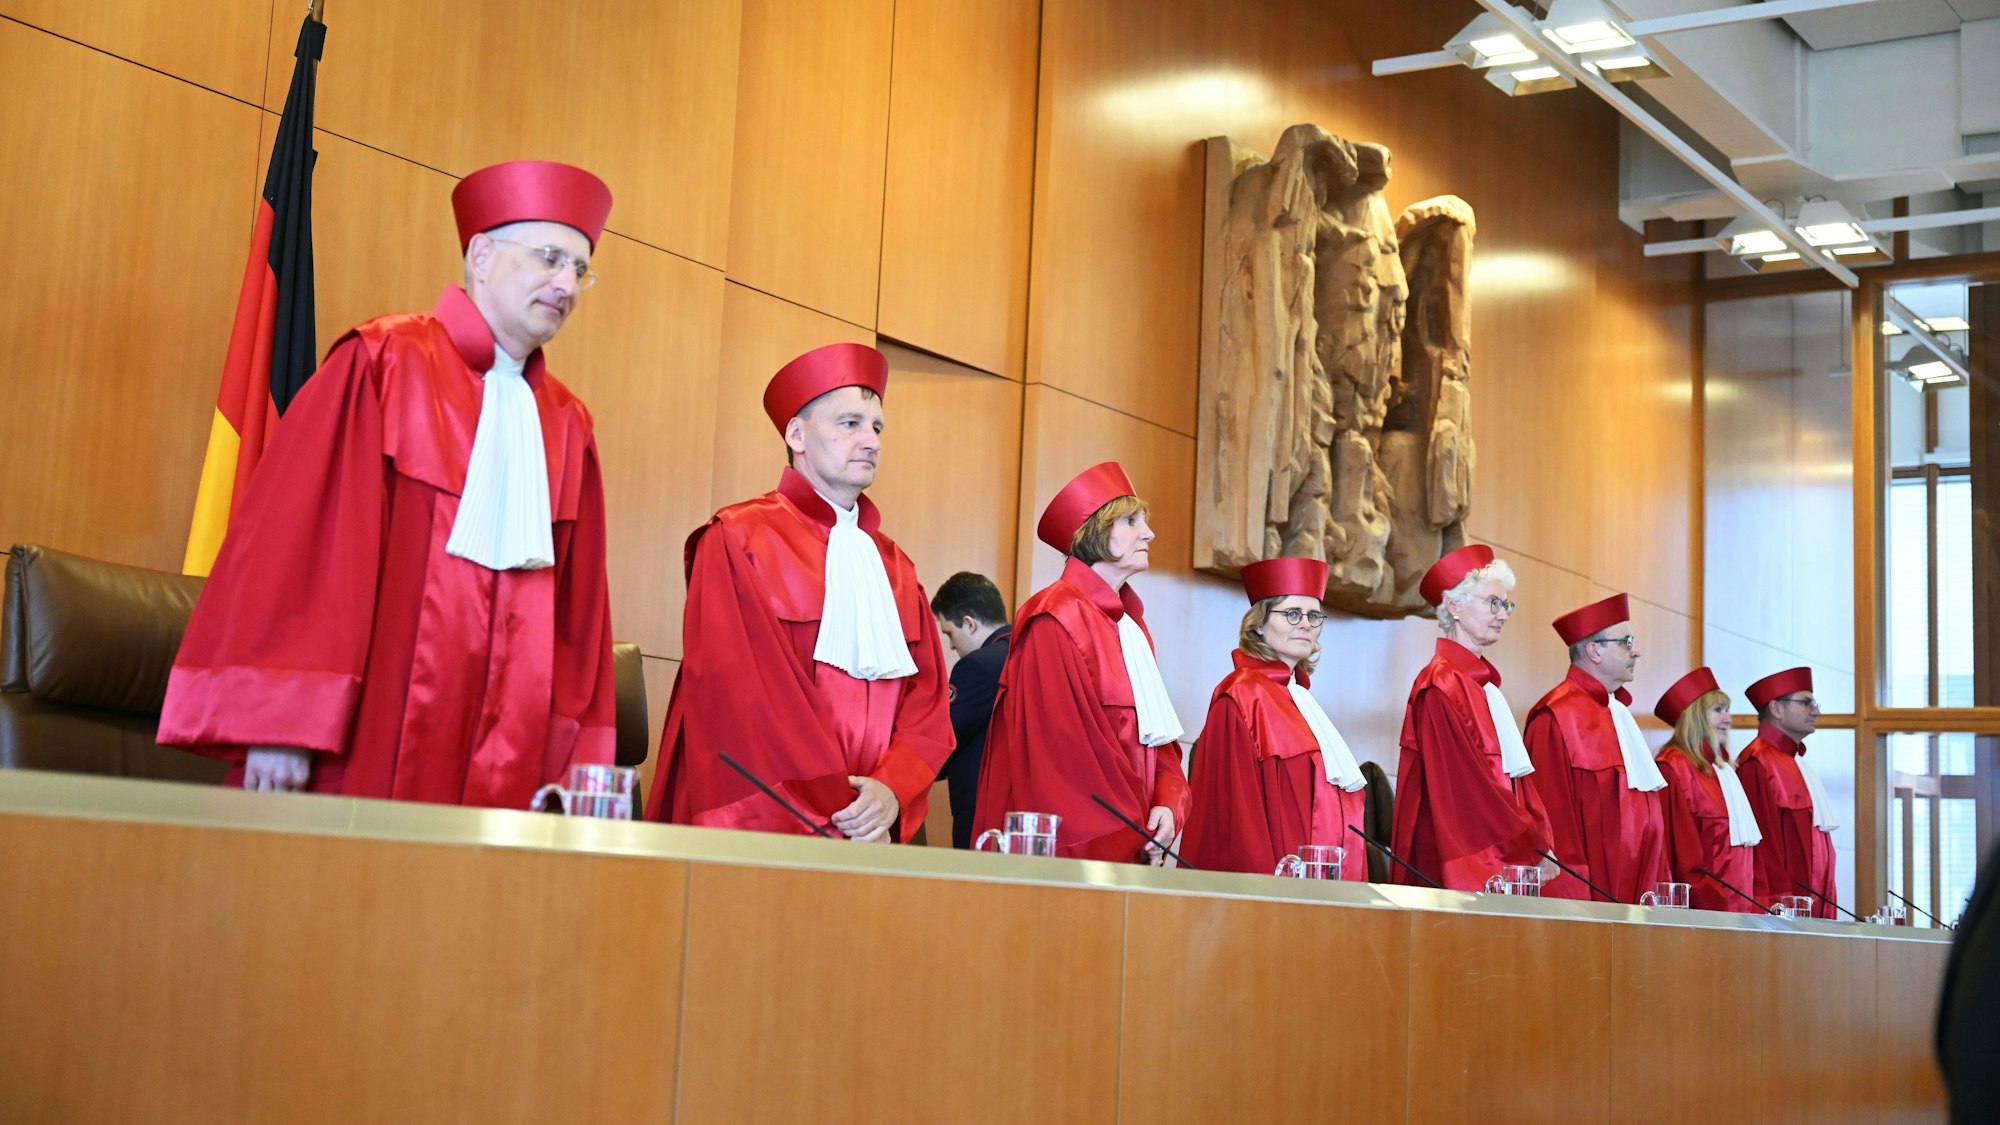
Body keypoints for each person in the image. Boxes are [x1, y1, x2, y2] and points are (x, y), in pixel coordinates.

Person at [158, 161, 618, 807]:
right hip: (363, 739)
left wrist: (574, 773)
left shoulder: (569, 428)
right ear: (481, 254)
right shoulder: (382, 364)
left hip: (505, 763)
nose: (566, 283)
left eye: (580, 268)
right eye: (549, 257)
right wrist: (284, 719)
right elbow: (303, 550)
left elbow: (578, 629)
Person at [645, 343, 952, 842]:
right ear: (796, 434)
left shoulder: (898, 568)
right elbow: (746, 704)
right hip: (774, 822)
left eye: (877, 427)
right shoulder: (736, 538)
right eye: (849, 424)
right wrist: (836, 807)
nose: (871, 441)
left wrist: (890, 790)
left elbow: (928, 703)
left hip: (873, 825)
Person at [972, 463, 1190, 863]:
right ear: (1095, 531)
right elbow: (1064, 762)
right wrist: (1134, 831)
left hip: (1136, 844)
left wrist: (1167, 803)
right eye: (1131, 520)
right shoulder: (1055, 617)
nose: (1149, 532)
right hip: (1084, 853)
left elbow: (1158, 740)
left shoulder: (1132, 629)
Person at [1181, 557, 1370, 879]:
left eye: (1314, 616)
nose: (1306, 624)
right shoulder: (1241, 694)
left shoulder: (1303, 700)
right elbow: (1236, 816)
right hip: (1275, 885)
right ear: (1258, 623)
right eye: (1292, 614)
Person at [1390, 544, 1554, 891]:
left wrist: (1539, 834)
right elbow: (1467, 791)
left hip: (1500, 855)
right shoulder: (1441, 683)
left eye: (1506, 604)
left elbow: (1515, 781)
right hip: (1462, 864)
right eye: (1493, 602)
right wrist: (1528, 841)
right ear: (1454, 606)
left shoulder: (1481, 686)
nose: (1503, 613)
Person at [1522, 594, 1669, 903]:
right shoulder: (1555, 717)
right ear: (1594, 651)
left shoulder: (1619, 713)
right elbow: (1553, 826)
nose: (1636, 651)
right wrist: (1573, 907)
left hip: (1637, 895)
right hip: (1592, 905)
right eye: (1626, 642)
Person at [1652, 667, 1764, 913]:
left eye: (1727, 710)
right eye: (1717, 710)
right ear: (1695, 716)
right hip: (1707, 911)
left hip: (1741, 908)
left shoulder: (1724, 771)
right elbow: (1681, 857)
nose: (1727, 718)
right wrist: (1714, 905)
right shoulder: (1673, 767)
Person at [1737, 667, 1841, 918]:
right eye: (1807, 703)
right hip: (1784, 914)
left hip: (1812, 908)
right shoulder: (1757, 763)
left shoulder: (1798, 763)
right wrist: (1780, 909)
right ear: (1776, 709)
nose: (1816, 711)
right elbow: (1762, 853)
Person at [931, 572, 1012, 849]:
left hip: (984, 818)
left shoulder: (978, 666)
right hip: (1024, 816)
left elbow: (942, 735)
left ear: (969, 623)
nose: (952, 646)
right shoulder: (1030, 652)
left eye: (949, 634)